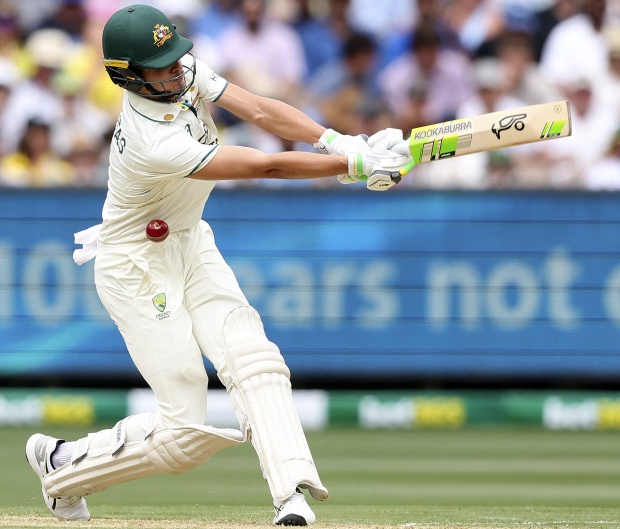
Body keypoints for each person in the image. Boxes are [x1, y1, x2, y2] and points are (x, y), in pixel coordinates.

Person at [23, 4, 410, 527]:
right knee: (183, 434)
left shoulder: (179, 74)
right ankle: (62, 466)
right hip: (135, 265)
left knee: (255, 359)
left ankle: (291, 498)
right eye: (160, 65)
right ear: (129, 75)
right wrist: (353, 165)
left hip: (190, 243)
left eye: (176, 56)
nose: (177, 69)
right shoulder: (150, 138)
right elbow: (262, 163)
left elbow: (261, 110)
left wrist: (339, 142)